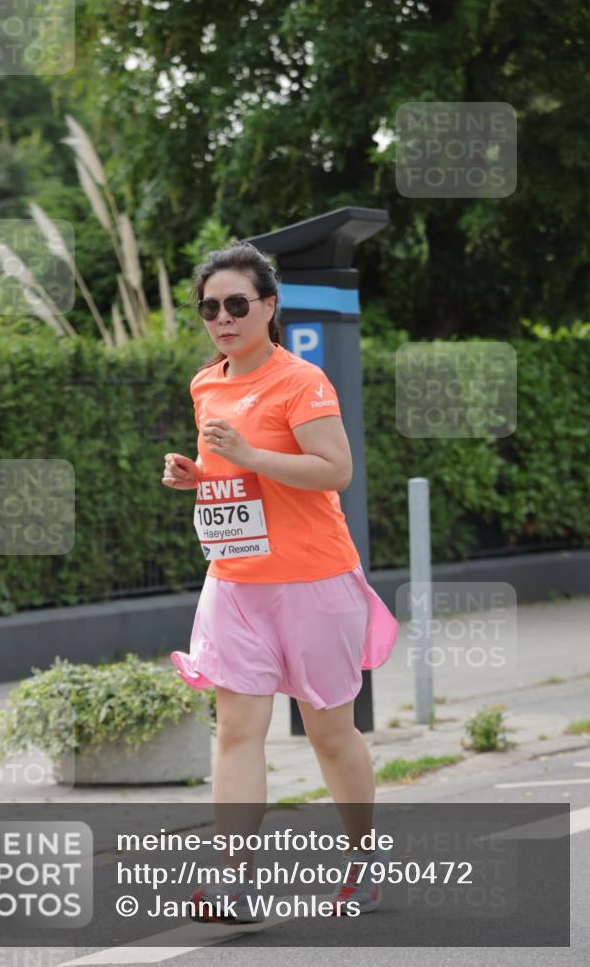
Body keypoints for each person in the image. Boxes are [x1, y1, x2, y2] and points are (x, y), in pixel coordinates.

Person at [162, 241, 398, 923]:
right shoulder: (206, 384)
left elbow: (334, 470)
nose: (223, 318)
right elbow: (232, 474)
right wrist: (198, 475)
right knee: (237, 732)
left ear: (269, 306)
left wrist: (251, 454)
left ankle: (364, 860)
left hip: (313, 579)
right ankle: (235, 881)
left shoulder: (301, 381)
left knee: (329, 734)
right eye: (210, 307)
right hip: (236, 581)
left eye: (237, 304)